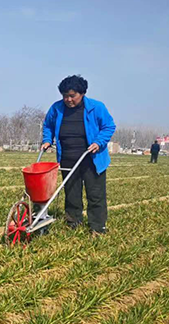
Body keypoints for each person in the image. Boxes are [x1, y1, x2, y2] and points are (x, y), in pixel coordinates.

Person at [41, 75, 116, 235]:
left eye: (72, 96)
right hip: (68, 157)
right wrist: (47, 140)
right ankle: (73, 222)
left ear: (82, 93)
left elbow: (108, 126)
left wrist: (98, 142)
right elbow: (48, 125)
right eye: (65, 96)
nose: (68, 99)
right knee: (71, 193)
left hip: (92, 158)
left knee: (95, 194)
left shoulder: (96, 107)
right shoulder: (57, 108)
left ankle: (97, 227)